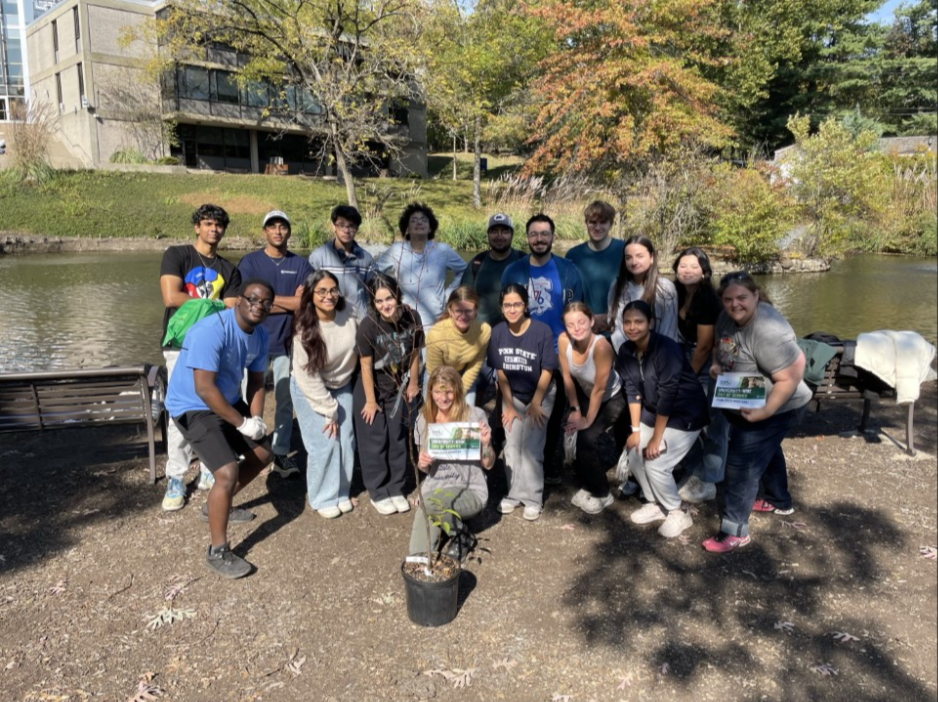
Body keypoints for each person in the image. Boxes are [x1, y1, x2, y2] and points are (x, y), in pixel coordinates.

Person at [164, 279, 274, 579]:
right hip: (192, 405)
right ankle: (218, 550)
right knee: (226, 471)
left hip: (225, 398)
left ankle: (217, 504)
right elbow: (203, 389)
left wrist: (256, 420)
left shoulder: (260, 335)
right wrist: (242, 423)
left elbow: (255, 382)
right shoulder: (210, 330)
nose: (258, 305)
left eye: (265, 302)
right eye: (252, 298)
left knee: (264, 452)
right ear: (238, 300)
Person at [702, 272, 812, 553]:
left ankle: (735, 531)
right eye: (728, 299)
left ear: (755, 295)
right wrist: (717, 365)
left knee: (741, 465)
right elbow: (723, 348)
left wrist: (766, 412)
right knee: (766, 450)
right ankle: (779, 500)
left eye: (742, 298)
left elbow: (790, 376)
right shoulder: (727, 317)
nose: (734, 304)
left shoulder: (768, 329)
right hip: (745, 399)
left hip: (779, 405)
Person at [159, 204, 242, 512]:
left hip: (214, 345)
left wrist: (205, 304)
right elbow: (171, 297)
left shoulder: (229, 269)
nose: (214, 229)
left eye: (219, 225)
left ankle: (210, 465)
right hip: (180, 345)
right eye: (208, 223)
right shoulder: (177, 255)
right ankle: (177, 476)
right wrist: (214, 303)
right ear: (197, 227)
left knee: (214, 405)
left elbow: (233, 307)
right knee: (179, 410)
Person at [501, 213, 585, 483]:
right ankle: (515, 466)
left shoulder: (568, 270)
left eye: (544, 234)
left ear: (553, 237)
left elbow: (577, 310)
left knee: (552, 410)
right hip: (523, 349)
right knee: (517, 405)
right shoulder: (514, 270)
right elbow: (507, 309)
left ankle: (545, 466)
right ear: (527, 238)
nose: (539, 239)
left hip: (558, 349)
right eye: (534, 234)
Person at [616, 301, 709, 539]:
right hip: (652, 409)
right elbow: (632, 391)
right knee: (635, 450)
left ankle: (679, 511)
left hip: (684, 413)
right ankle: (656, 503)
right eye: (627, 322)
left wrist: (656, 438)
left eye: (639, 321)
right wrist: (636, 430)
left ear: (651, 323)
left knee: (656, 462)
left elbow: (668, 395)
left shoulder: (666, 349)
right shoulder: (626, 351)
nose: (632, 327)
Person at [237, 210, 313, 478]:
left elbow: (304, 304)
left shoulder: (301, 265)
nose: (278, 231)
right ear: (264, 232)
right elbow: (244, 302)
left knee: (284, 400)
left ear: (289, 232)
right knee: (246, 398)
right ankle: (248, 449)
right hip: (252, 342)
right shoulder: (250, 262)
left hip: (284, 343)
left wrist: (266, 302)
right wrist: (285, 303)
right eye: (272, 227)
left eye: (283, 227)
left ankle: (280, 453)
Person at [290, 271, 359, 519]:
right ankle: (322, 496)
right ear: (311, 294)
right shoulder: (304, 327)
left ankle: (341, 490)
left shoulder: (349, 311)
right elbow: (307, 377)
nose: (329, 296)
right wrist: (329, 411)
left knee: (347, 438)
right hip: (310, 387)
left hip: (342, 383)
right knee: (325, 441)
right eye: (321, 291)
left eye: (333, 290)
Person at [409, 366, 496, 561]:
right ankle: (423, 576)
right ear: (430, 391)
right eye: (438, 391)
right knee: (417, 557)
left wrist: (486, 444)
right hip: (435, 489)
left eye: (448, 391)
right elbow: (424, 468)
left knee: (430, 503)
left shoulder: (474, 416)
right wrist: (423, 462)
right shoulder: (423, 419)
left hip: (469, 489)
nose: (443, 397)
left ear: (457, 390)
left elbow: (489, 464)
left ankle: (462, 535)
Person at [354, 273, 424, 516]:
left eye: (389, 298)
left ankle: (396, 487)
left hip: (399, 388)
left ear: (397, 295)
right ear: (373, 303)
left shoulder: (411, 317)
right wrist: (371, 401)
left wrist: (414, 383)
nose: (385, 305)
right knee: (375, 441)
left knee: (396, 438)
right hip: (371, 389)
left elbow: (415, 353)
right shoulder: (368, 326)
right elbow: (364, 365)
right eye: (378, 301)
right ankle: (378, 490)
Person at [487, 284, 558, 521]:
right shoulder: (497, 332)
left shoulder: (541, 331)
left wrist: (536, 402)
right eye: (507, 305)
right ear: (501, 307)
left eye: (517, 304)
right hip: (513, 395)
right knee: (512, 445)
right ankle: (515, 494)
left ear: (525, 305)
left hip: (542, 392)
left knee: (532, 446)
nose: (512, 309)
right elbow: (501, 372)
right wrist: (508, 405)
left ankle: (533, 498)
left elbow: (547, 370)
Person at [558, 302, 627, 515]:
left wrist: (587, 420)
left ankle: (602, 493)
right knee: (575, 431)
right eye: (571, 325)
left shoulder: (602, 347)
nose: (576, 328)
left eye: (581, 322)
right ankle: (587, 483)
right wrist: (575, 409)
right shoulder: (563, 341)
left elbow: (599, 389)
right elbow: (567, 378)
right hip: (586, 395)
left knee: (587, 437)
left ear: (591, 321)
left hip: (613, 396)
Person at [671, 247, 725, 504]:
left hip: (702, 366)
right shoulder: (677, 293)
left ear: (704, 271)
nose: (688, 271)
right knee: (681, 419)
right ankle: (695, 471)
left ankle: (708, 480)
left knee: (706, 425)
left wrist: (687, 379)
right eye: (683, 266)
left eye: (694, 266)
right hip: (682, 358)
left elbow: (704, 345)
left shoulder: (707, 299)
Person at [375, 203, 467, 332]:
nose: (419, 223)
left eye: (424, 220)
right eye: (414, 220)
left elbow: (464, 270)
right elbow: (375, 271)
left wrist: (448, 294)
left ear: (430, 228)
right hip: (405, 317)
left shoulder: (442, 250)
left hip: (435, 318)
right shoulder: (396, 250)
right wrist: (389, 296)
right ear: (407, 228)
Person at [607, 235, 678, 353]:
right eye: (628, 258)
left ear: (651, 257)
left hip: (660, 358)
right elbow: (616, 327)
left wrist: (655, 358)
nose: (634, 262)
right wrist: (629, 356)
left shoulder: (665, 288)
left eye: (640, 256)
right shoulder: (617, 287)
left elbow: (669, 330)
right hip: (627, 358)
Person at [563, 200, 625, 331]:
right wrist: (590, 318)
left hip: (621, 327)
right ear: (586, 223)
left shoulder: (624, 250)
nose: (597, 227)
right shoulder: (573, 255)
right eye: (593, 222)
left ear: (611, 224)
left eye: (603, 222)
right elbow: (570, 296)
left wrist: (611, 317)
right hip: (585, 329)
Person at [424, 286, 491, 406]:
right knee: (437, 411)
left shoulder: (484, 331)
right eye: (459, 311)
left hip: (462, 374)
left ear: (475, 311)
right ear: (450, 310)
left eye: (469, 311)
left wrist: (459, 391)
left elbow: (475, 365)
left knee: (466, 409)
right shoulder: (436, 335)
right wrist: (446, 395)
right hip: (437, 376)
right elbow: (435, 372)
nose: (463, 316)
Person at [307, 205, 376, 319]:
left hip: (358, 321)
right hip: (328, 320)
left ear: (357, 229)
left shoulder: (366, 259)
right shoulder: (318, 257)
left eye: (351, 226)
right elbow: (309, 292)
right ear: (334, 227)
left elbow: (373, 292)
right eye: (342, 225)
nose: (346, 230)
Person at [460, 213, 525, 328]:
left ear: (512, 234)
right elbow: (463, 301)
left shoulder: (524, 261)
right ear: (488, 235)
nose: (499, 236)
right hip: (482, 335)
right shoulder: (477, 263)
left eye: (505, 231)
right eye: (494, 231)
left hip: (518, 334)